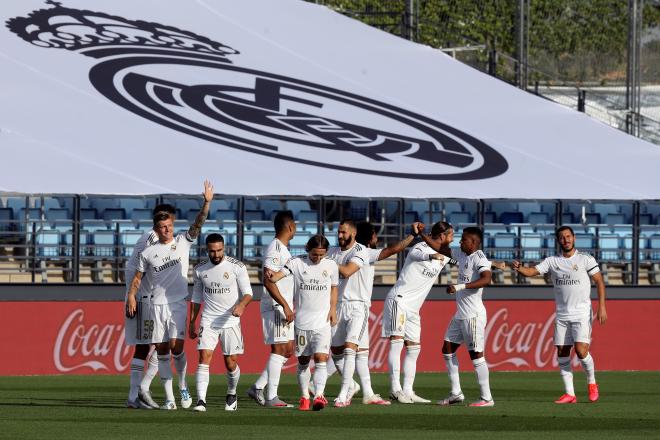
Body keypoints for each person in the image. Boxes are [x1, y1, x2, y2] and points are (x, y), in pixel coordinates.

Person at [125, 180, 213, 410]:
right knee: (161, 350)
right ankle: (169, 399)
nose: (167, 229)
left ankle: (183, 386)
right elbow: (136, 278)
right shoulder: (148, 251)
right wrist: (131, 296)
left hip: (177, 303)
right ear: (156, 229)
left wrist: (206, 203)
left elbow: (198, 223)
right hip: (155, 304)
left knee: (177, 347)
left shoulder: (183, 241)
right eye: (163, 227)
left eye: (170, 225)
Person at [511, 225, 607, 404]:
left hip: (581, 313)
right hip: (562, 315)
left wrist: (602, 306)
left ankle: (592, 383)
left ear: (574, 238)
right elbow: (532, 271)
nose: (566, 240)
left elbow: (600, 282)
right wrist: (519, 268)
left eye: (568, 236)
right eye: (562, 237)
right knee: (562, 352)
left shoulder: (585, 259)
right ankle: (570, 394)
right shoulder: (552, 261)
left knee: (580, 351)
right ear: (558, 241)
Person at [330, 221, 422, 407]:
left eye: (343, 232)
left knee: (350, 349)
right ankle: (368, 393)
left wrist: (412, 236)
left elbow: (392, 250)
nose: (339, 235)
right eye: (338, 232)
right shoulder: (332, 251)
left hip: (358, 306)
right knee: (346, 353)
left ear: (354, 233)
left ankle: (343, 393)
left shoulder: (363, 252)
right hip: (338, 306)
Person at [264, 234, 338, 411]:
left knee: (321, 359)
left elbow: (334, 287)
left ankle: (319, 395)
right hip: (303, 323)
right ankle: (305, 396)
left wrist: (333, 308)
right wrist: (271, 275)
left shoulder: (331, 265)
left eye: (321, 254)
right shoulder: (296, 263)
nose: (318, 258)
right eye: (314, 254)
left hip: (323, 322)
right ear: (308, 250)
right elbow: (276, 277)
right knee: (304, 362)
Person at [422, 226, 495, 407]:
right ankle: (456, 393)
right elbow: (441, 248)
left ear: (475, 243)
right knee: (447, 349)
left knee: (477, 356)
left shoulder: (480, 258)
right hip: (461, 314)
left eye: (464, 239)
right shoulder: (461, 255)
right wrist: (422, 235)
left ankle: (487, 398)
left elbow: (487, 279)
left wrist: (459, 286)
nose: (460, 241)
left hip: (473, 316)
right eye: (461, 238)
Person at [382, 221, 453, 404]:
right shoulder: (421, 246)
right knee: (396, 344)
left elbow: (460, 258)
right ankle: (395, 389)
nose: (453, 239)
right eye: (451, 235)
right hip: (400, 300)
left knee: (414, 349)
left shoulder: (446, 254)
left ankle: (408, 390)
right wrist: (431, 256)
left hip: (414, 308)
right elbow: (415, 253)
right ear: (442, 235)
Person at [189, 233, 252, 412]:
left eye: (219, 250)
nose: (216, 255)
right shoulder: (200, 269)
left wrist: (241, 305)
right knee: (203, 357)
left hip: (230, 320)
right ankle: (201, 401)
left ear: (224, 248)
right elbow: (196, 298)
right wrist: (192, 321)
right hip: (208, 320)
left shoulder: (237, 267)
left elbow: (248, 293)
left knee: (230, 362)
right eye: (212, 251)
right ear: (206, 250)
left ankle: (232, 392)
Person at [124, 203, 176, 409]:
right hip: (145, 299)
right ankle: (138, 393)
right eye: (168, 222)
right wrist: (132, 296)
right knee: (159, 345)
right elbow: (141, 270)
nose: (170, 228)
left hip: (144, 296)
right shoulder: (153, 240)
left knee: (148, 346)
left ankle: (134, 395)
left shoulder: (147, 237)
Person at [248, 210, 296, 408]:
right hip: (276, 306)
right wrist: (284, 304)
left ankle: (258, 387)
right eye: (294, 226)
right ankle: (271, 396)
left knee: (287, 350)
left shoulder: (283, 249)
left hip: (284, 306)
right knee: (279, 349)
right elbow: (268, 280)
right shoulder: (275, 249)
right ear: (290, 227)